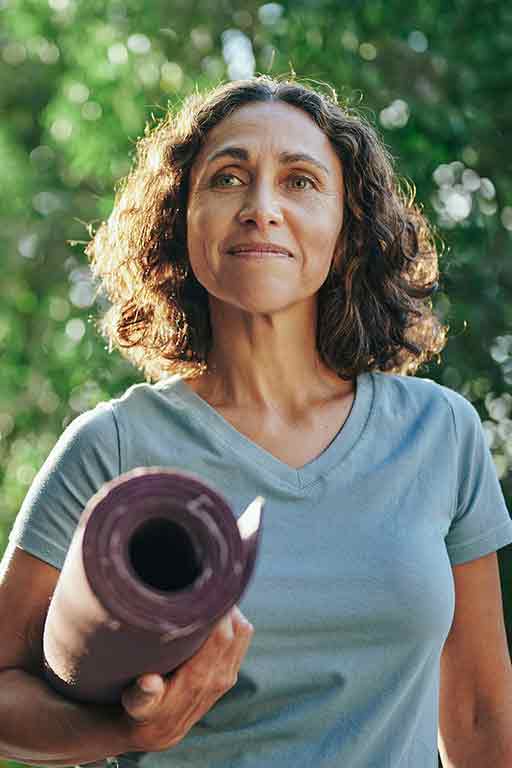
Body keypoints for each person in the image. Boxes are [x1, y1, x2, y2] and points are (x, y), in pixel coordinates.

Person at [1, 74, 512, 768]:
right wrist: (123, 734)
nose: (261, 207)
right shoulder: (113, 447)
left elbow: (480, 714)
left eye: (300, 181)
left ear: (346, 226)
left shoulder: (440, 433)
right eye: (229, 177)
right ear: (181, 219)